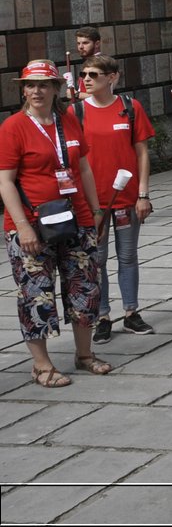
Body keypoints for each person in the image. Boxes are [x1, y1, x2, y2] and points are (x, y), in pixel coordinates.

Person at [0, 60, 111, 386]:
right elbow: (5, 181)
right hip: (32, 225)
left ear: (55, 89)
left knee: (85, 288)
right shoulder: (13, 127)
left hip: (76, 219)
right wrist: (22, 226)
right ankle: (41, 365)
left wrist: (96, 210)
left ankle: (84, 354)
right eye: (30, 85)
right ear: (23, 89)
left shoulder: (68, 121)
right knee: (37, 293)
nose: (36, 91)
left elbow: (84, 168)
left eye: (43, 84)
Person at [76, 55, 156, 342]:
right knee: (97, 259)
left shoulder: (129, 108)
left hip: (126, 199)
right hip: (92, 203)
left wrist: (143, 193)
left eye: (94, 74)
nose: (86, 78)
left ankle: (132, 312)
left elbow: (142, 152)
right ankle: (104, 316)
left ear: (112, 77)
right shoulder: (76, 112)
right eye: (84, 73)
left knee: (128, 256)